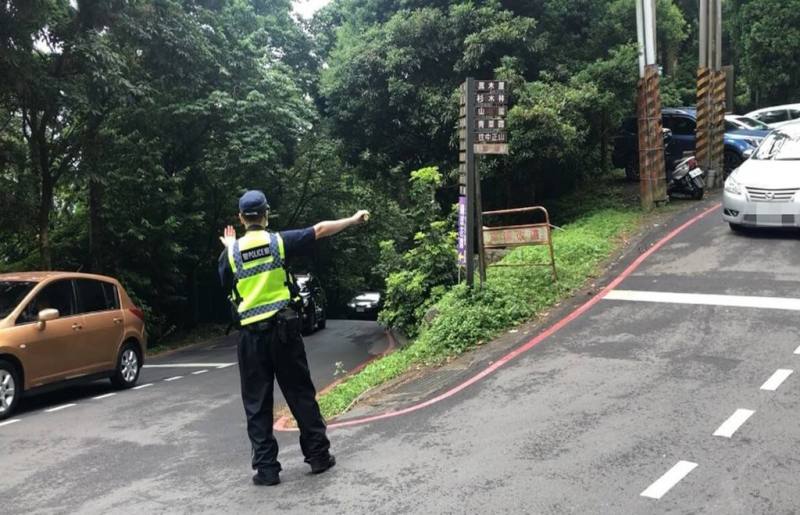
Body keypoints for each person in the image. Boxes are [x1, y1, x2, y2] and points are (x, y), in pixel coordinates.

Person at [218, 190, 369, 486]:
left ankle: (267, 470)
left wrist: (229, 247)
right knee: (300, 393)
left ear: (240, 218)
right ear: (266, 214)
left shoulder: (230, 254)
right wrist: (352, 219)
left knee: (256, 403)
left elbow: (226, 283)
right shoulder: (278, 242)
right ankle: (318, 457)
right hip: (284, 332)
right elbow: (321, 229)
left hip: (250, 337)